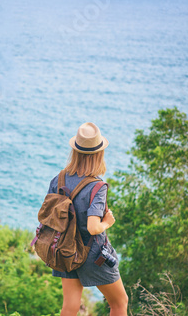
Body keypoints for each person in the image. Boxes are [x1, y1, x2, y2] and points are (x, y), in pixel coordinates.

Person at [47, 122, 128, 316]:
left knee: (70, 306)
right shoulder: (97, 186)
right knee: (119, 303)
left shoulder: (59, 179)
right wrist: (107, 223)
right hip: (93, 255)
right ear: (99, 154)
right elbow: (93, 227)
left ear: (75, 151)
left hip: (63, 249)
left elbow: (49, 216)